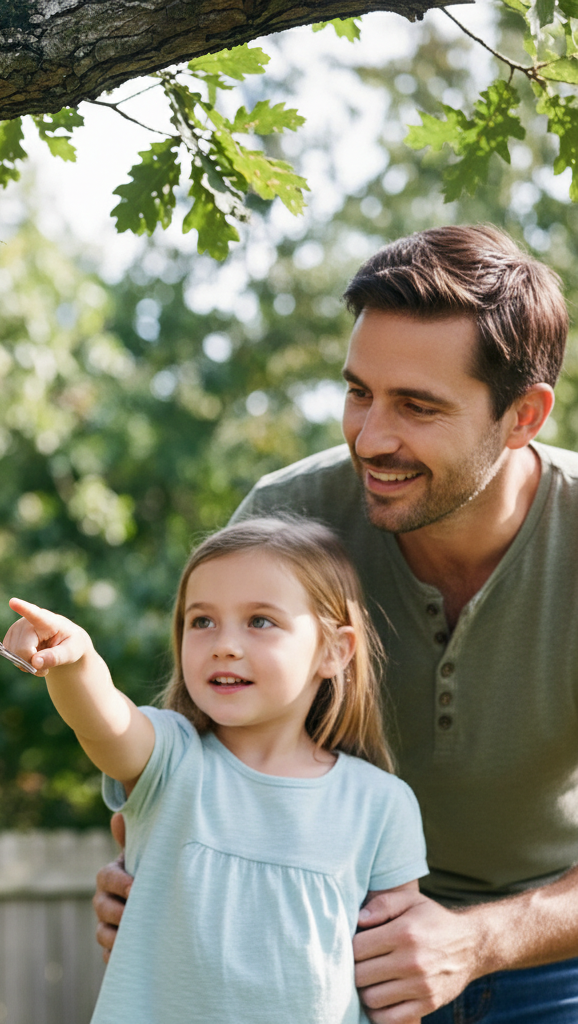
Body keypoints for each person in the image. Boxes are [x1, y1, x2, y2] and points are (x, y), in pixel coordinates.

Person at [92, 225, 578, 1023]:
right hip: (326, 952)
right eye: (359, 392)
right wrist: (153, 871)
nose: (370, 438)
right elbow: (185, 747)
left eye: (416, 406)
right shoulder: (287, 520)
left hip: (551, 955)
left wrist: (478, 940)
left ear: (522, 416)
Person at [4, 516, 428, 1023]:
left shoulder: (382, 804)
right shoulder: (170, 758)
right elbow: (105, 722)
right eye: (202, 621)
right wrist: (77, 663)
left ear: (335, 651)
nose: (224, 644)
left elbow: (396, 983)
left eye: (260, 621)